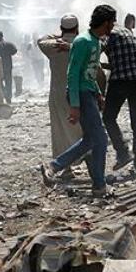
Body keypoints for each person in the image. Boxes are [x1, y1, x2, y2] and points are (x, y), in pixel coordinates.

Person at [40, 5, 116, 197]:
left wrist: (98, 93)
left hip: (88, 92)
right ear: (105, 22)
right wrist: (75, 105)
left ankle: (55, 166)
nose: (113, 26)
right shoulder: (82, 41)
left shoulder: (94, 41)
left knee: (92, 139)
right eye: (111, 22)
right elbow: (73, 74)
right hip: (79, 94)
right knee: (99, 139)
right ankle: (98, 184)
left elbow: (90, 73)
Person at [102, 13, 136, 177]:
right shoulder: (127, 32)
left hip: (121, 81)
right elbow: (123, 60)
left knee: (108, 117)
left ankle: (122, 152)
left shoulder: (106, 36)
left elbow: (92, 55)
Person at [39, 14, 84, 172]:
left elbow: (41, 40)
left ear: (61, 28)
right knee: (82, 129)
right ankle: (86, 162)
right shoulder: (82, 44)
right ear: (77, 28)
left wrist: (58, 36)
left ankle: (66, 168)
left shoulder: (53, 45)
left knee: (60, 132)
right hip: (80, 93)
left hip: (58, 94)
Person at [0, 31, 17, 103]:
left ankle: (4, 94)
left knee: (0, 83)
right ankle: (8, 97)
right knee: (8, 82)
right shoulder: (8, 44)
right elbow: (15, 51)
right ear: (2, 36)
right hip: (8, 66)